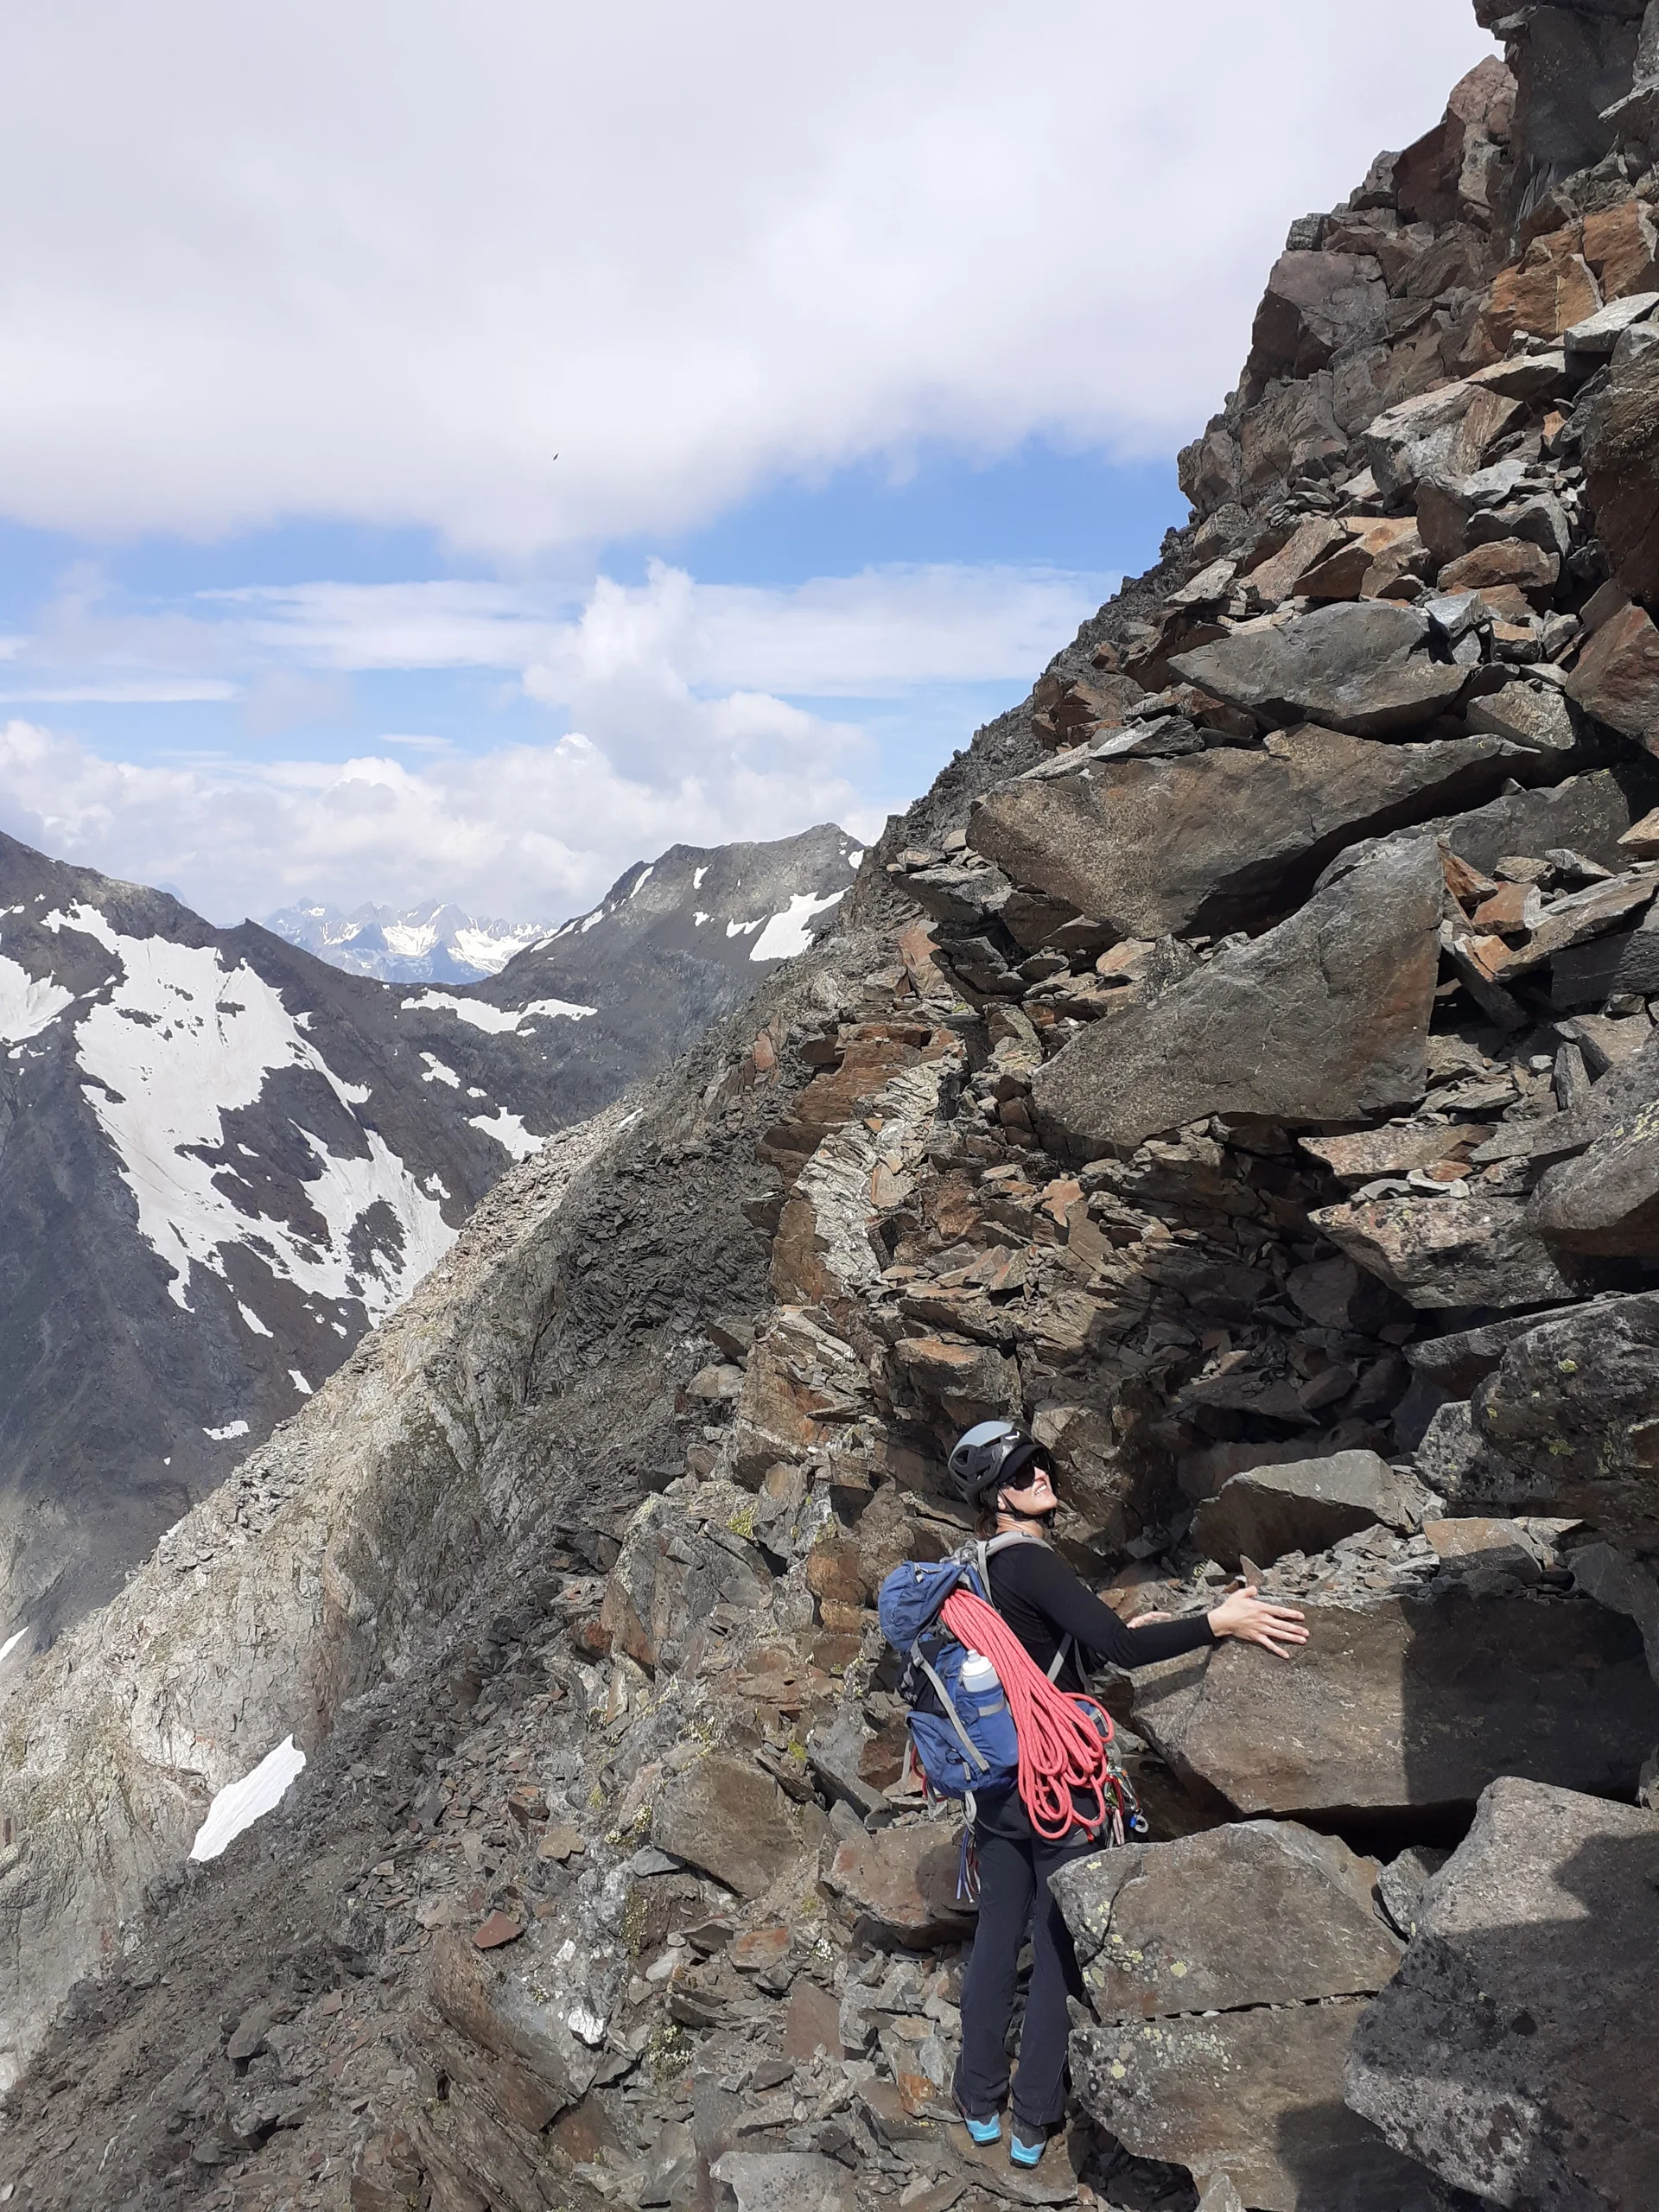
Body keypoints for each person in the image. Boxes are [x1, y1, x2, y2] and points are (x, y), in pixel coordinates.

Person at [945, 1419, 1307, 2170]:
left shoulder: (973, 1568)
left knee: (995, 1940)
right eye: (1020, 1472)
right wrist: (1219, 1621)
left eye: (1040, 1463)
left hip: (996, 1786)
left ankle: (978, 2101)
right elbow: (1122, 1649)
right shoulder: (1032, 1561)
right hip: (1055, 1784)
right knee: (1056, 1945)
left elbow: (1044, 1648)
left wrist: (1103, 1633)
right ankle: (1033, 2121)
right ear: (996, 1498)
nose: (1040, 1475)